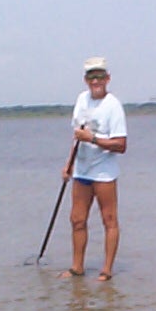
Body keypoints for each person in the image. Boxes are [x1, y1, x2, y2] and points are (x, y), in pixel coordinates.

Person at [58, 56, 127, 282]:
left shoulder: (113, 105)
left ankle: (106, 270)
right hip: (82, 170)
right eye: (91, 77)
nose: (95, 81)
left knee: (109, 220)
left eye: (100, 76)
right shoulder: (81, 100)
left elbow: (121, 145)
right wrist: (68, 164)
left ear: (107, 79)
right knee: (77, 219)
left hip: (104, 173)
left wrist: (93, 138)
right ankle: (77, 267)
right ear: (85, 80)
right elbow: (76, 136)